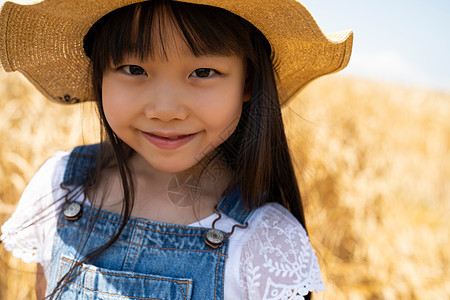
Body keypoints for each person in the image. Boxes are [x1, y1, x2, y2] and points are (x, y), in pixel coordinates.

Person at [0, 0, 352, 299]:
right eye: (133, 68)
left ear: (248, 82)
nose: (166, 109)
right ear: (99, 72)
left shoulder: (264, 243)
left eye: (203, 71)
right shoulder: (61, 188)